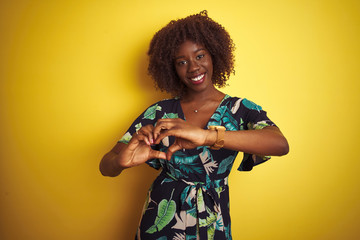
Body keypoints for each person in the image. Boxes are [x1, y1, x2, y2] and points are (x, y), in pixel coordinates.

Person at [100, 10, 289, 240]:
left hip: (213, 220)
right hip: (161, 219)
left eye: (200, 56)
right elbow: (106, 166)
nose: (193, 68)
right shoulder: (160, 111)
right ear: (172, 69)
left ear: (214, 55)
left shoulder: (239, 109)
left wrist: (207, 136)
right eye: (182, 62)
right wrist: (120, 162)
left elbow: (280, 144)